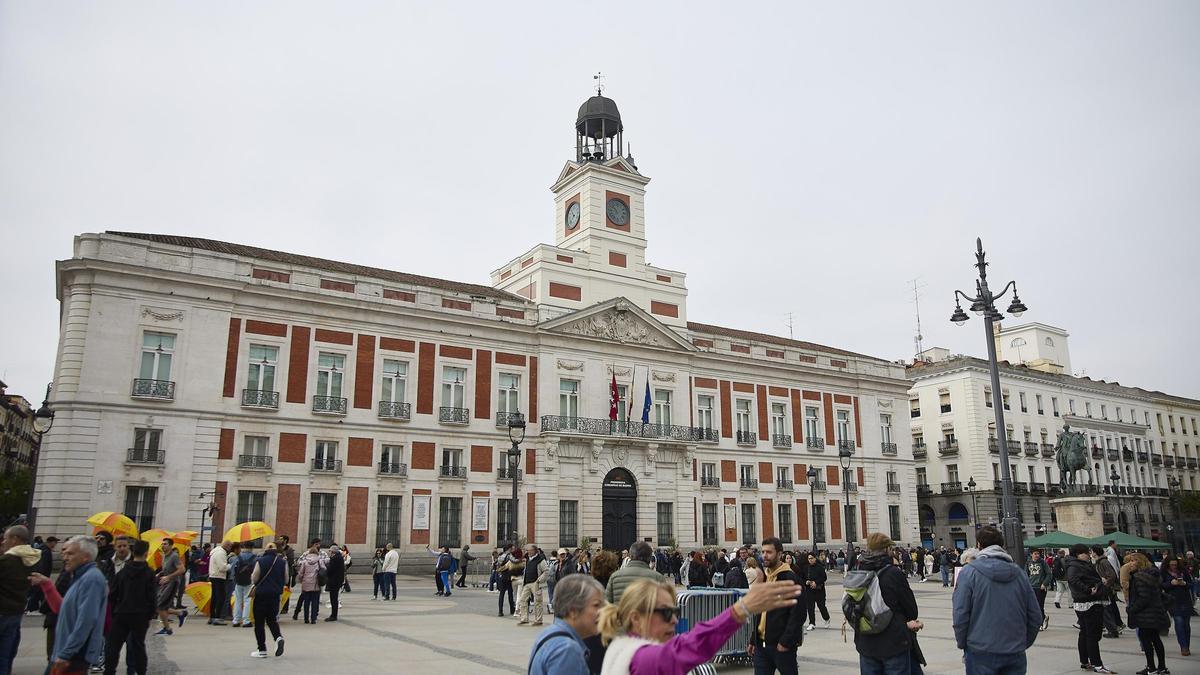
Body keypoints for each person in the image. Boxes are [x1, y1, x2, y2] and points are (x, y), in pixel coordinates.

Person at [598, 576, 801, 675]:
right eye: (666, 613)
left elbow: (686, 642)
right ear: (636, 618)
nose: (675, 620)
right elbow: (690, 646)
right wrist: (739, 611)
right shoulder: (643, 658)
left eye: (675, 612)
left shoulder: (620, 646)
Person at [951, 526, 1041, 674]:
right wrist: (1022, 643)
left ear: (979, 545)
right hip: (1014, 651)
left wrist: (963, 643)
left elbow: (960, 614)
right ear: (1001, 545)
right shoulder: (1019, 573)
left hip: (980, 650)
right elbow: (1035, 615)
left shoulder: (969, 572)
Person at [852, 533, 924, 675]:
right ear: (886, 549)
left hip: (866, 642)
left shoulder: (858, 573)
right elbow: (911, 610)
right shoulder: (893, 573)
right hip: (893, 643)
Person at [527, 574, 605, 675]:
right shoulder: (567, 650)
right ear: (573, 611)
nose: (602, 611)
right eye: (596, 605)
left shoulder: (550, 633)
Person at [748, 538, 805, 675]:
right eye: (763, 552)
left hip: (781, 646)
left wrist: (786, 642)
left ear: (779, 554)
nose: (765, 555)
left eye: (769, 552)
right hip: (761, 646)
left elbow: (798, 614)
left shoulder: (790, 578)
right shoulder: (765, 577)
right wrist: (753, 639)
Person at [52, 536, 107, 674]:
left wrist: (66, 653)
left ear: (85, 557)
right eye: (64, 553)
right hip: (68, 651)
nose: (64, 557)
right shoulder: (79, 576)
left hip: (74, 655)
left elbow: (86, 621)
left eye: (70, 553)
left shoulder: (91, 579)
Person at [101, 539, 155, 675]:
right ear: (146, 553)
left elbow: (112, 595)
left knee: (113, 646)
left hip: (121, 613)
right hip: (140, 614)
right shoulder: (149, 573)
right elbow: (152, 597)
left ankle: (109, 671)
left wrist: (114, 611)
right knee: (138, 646)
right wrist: (149, 615)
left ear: (132, 551)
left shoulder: (122, 573)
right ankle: (140, 672)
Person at [0, 525, 41, 674]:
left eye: (5, 538)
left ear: (15, 539)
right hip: (16, 612)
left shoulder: (6, 560)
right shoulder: (33, 558)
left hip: (2, 610)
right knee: (5, 655)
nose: (3, 542)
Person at [1067, 542, 1113, 673]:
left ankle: (1085, 661)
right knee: (1092, 634)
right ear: (1078, 554)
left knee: (1085, 633)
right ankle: (1097, 664)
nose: (1088, 555)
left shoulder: (1078, 564)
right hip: (1089, 602)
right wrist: (1088, 590)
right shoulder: (1075, 565)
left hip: (1086, 602)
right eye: (1085, 553)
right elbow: (1073, 580)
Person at [1126, 553, 1169, 675]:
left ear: (1139, 562)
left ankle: (1152, 667)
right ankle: (1162, 667)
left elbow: (1143, 597)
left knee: (1146, 640)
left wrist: (1132, 609)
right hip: (1155, 611)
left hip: (1145, 614)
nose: (1131, 563)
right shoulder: (1152, 574)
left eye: (1133, 560)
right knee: (1156, 639)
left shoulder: (1139, 577)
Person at [249, 542, 286, 658]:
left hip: (261, 594)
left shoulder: (261, 561)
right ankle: (278, 637)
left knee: (259, 622)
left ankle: (262, 649)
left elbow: (255, 578)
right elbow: (286, 579)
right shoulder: (282, 562)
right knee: (272, 620)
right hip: (275, 595)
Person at [153, 539, 188, 636]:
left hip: (172, 583)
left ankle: (167, 629)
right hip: (165, 583)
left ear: (171, 546)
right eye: (162, 544)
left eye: (165, 544)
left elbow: (182, 569)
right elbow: (166, 569)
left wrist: (169, 577)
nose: (163, 546)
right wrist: (159, 574)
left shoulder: (174, 556)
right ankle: (180, 613)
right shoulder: (164, 556)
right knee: (160, 606)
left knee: (160, 606)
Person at [1161, 555, 1193, 657]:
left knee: (1186, 625)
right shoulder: (1164, 572)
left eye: (1175, 564)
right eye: (1171, 565)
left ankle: (1187, 646)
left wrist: (1184, 583)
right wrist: (1171, 583)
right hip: (1173, 601)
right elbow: (1161, 585)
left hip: (1185, 599)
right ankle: (1183, 647)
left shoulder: (1183, 571)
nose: (1174, 566)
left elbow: (1191, 584)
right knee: (1179, 622)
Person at [292, 539, 326, 624]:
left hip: (306, 583)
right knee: (315, 601)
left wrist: (300, 580)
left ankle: (306, 618)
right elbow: (324, 569)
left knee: (306, 602)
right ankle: (313, 618)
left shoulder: (305, 560)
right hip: (316, 584)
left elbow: (301, 572)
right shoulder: (319, 560)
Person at [1092, 545, 1122, 639]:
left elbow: (1111, 575)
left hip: (1106, 589)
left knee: (1106, 609)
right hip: (1104, 588)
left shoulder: (1103, 562)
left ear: (1095, 552)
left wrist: (1105, 584)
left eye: (1092, 551)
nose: (1091, 553)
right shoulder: (1099, 562)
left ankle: (1113, 630)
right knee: (1108, 608)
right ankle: (1114, 626)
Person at [517, 544, 549, 626]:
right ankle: (524, 618)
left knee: (537, 601)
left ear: (535, 551)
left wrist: (539, 580)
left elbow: (546, 571)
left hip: (535, 582)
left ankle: (538, 620)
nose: (528, 552)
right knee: (522, 600)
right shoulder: (528, 559)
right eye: (527, 550)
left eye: (530, 550)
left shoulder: (540, 560)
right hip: (527, 582)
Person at [231, 540, 258, 628]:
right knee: (247, 600)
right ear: (252, 548)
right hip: (249, 581)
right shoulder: (255, 558)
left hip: (238, 581)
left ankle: (236, 620)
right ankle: (246, 621)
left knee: (238, 600)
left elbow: (232, 569)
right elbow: (257, 570)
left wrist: (234, 579)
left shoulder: (238, 557)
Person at [1027, 548, 1053, 630]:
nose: (1037, 555)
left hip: (1040, 588)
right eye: (1035, 553)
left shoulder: (1042, 562)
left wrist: (1044, 584)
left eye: (1038, 553)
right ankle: (1044, 617)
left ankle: (1040, 624)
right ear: (1031, 554)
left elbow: (1049, 574)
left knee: (1039, 606)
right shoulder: (1028, 562)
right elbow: (1025, 574)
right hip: (1031, 587)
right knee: (1033, 606)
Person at [804, 552, 830, 631]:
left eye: (812, 558)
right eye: (809, 559)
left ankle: (826, 618)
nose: (810, 560)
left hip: (819, 591)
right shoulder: (806, 568)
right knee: (810, 608)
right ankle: (812, 623)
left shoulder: (820, 567)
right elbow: (804, 577)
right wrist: (806, 582)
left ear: (815, 558)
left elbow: (824, 578)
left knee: (821, 606)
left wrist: (816, 582)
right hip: (809, 590)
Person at [207, 540, 231, 626]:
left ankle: (212, 616)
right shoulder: (221, 553)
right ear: (227, 546)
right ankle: (217, 617)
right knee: (221, 597)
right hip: (219, 576)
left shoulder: (215, 551)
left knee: (214, 597)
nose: (230, 549)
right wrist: (230, 565)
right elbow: (222, 567)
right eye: (230, 547)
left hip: (213, 575)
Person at [497, 546, 523, 617]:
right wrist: (521, 559)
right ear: (509, 549)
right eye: (511, 549)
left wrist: (499, 571)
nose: (512, 550)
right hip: (508, 577)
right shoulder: (509, 556)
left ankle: (500, 610)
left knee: (501, 594)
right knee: (510, 594)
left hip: (502, 577)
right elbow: (515, 561)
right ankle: (512, 609)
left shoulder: (500, 556)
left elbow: (498, 566)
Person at [324, 544, 345, 622]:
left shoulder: (335, 558)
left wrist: (326, 570)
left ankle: (333, 615)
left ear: (333, 551)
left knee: (333, 599)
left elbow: (330, 569)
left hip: (334, 581)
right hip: (337, 581)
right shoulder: (339, 557)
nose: (329, 553)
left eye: (330, 551)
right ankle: (333, 615)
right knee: (334, 598)